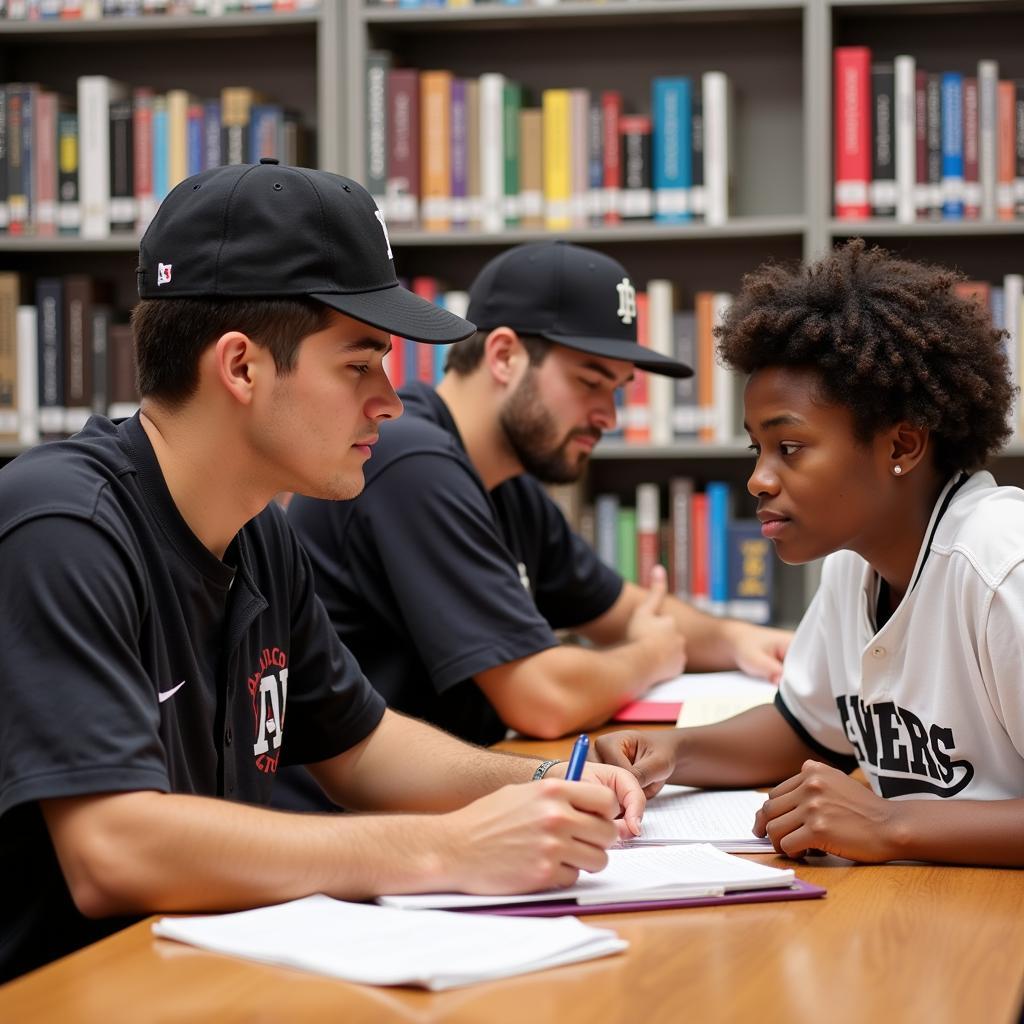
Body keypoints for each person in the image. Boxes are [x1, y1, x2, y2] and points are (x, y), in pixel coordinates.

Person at [0, 161, 645, 983]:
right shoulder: (62, 527)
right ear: (241, 368)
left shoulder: (261, 536)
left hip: (203, 980)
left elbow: (363, 745)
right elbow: (113, 851)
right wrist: (447, 847)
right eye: (359, 363)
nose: (388, 398)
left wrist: (548, 781)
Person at [596, 239, 1024, 867]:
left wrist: (889, 824)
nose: (759, 481)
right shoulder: (854, 561)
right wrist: (676, 752)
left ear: (901, 445)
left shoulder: (1000, 567)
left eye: (789, 448)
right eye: (756, 451)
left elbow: (884, 818)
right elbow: (807, 730)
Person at [286, 240, 792, 758]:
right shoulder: (409, 462)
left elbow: (624, 608)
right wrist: (651, 655)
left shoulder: (508, 483)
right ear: (504, 356)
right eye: (590, 382)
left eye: (617, 391)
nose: (608, 417)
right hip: (349, 818)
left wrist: (737, 640)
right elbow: (543, 698)